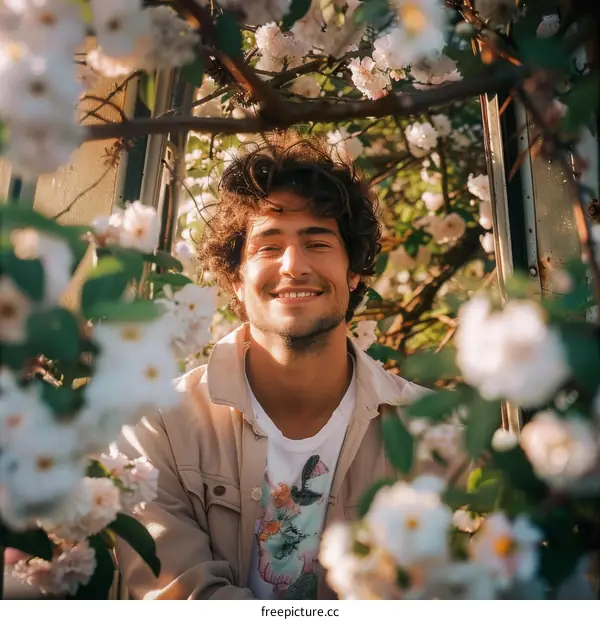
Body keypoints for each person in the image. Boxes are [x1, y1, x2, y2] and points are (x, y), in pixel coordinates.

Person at [112, 131, 434, 600]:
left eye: (318, 242)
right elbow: (180, 599)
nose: (293, 266)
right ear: (235, 279)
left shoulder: (431, 432)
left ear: (356, 270)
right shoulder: (156, 426)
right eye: (268, 245)